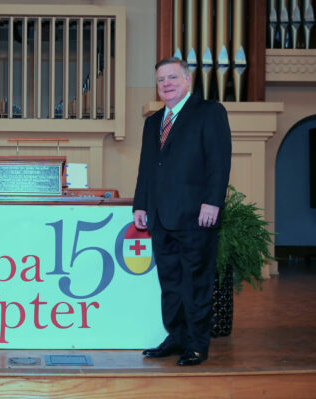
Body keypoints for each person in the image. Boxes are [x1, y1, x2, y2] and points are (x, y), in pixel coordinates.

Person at [132, 57, 231, 366]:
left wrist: (212, 201)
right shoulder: (152, 122)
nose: (167, 84)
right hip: (161, 216)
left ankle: (198, 345)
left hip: (196, 215)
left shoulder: (209, 112)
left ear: (187, 81)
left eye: (173, 77)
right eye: (161, 80)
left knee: (196, 282)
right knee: (171, 282)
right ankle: (176, 337)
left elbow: (219, 159)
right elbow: (147, 169)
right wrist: (140, 204)